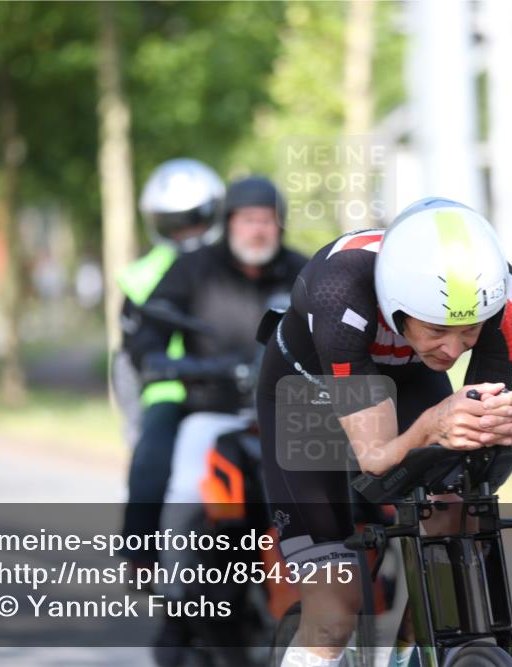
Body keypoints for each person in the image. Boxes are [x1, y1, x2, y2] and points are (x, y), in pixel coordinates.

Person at [256, 197, 512, 667]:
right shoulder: (340, 292)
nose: (453, 349)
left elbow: (475, 445)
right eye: (437, 329)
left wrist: (505, 430)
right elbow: (378, 457)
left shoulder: (507, 306)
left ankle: (413, 654)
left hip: (408, 379)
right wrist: (432, 425)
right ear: (395, 304)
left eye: (469, 333)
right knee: (334, 614)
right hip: (305, 393)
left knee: (454, 521)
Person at [125, 175, 309, 665]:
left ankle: (351, 588)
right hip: (213, 410)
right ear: (228, 223)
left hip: (290, 413)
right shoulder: (194, 269)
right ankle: (179, 600)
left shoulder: (305, 272)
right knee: (186, 488)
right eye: (247, 219)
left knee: (344, 487)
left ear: (280, 224)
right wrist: (157, 359)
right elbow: (150, 327)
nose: (257, 230)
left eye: (266, 220)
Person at [115, 158, 225, 568]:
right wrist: (134, 420)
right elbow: (127, 358)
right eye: (174, 223)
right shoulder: (140, 277)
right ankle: (142, 558)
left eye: (195, 221)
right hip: (171, 391)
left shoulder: (237, 264)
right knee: (150, 461)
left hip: (233, 389)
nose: (187, 233)